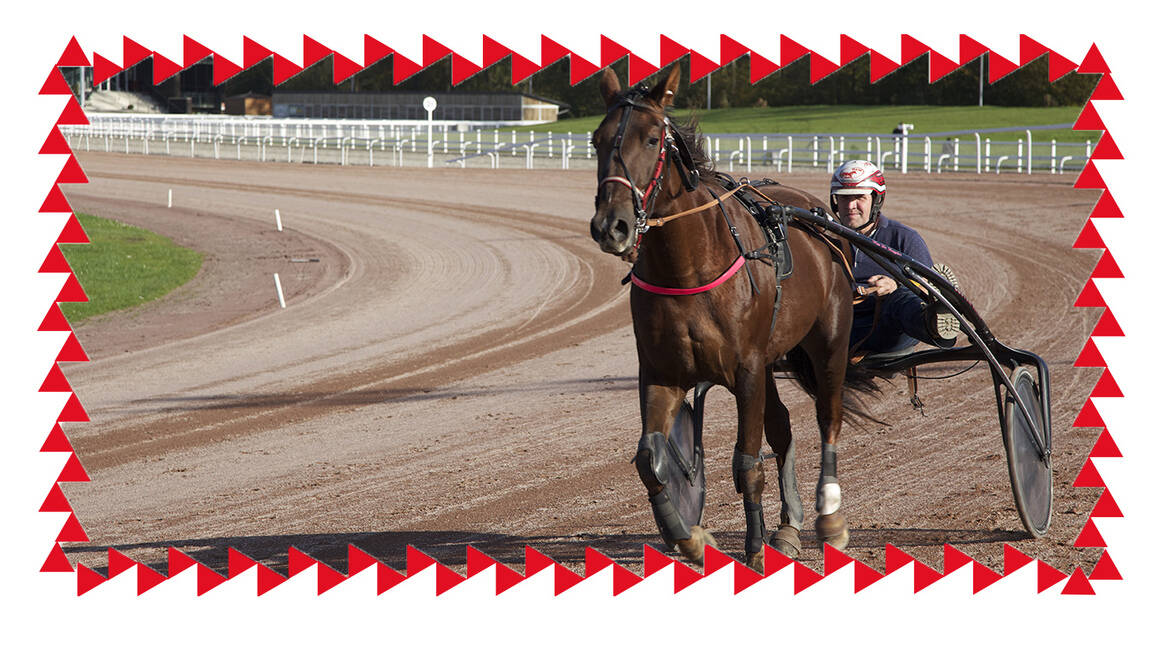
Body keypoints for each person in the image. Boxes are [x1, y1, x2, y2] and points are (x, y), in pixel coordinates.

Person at [828, 160, 961, 355]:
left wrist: (895, 285)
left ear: (876, 200)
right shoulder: (823, 239)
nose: (850, 206)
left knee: (899, 299)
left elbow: (925, 285)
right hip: (835, 327)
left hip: (886, 328)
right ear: (835, 201)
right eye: (844, 198)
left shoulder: (903, 238)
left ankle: (933, 323)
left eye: (859, 198)